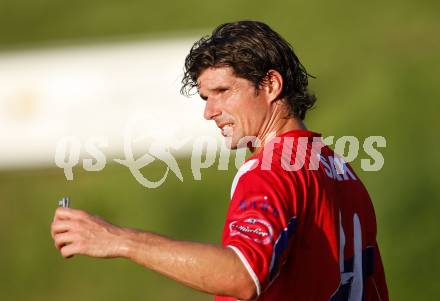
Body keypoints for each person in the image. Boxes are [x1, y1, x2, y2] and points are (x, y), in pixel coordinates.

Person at [51, 20, 389, 300]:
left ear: (271, 84)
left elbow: (244, 275)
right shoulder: (336, 166)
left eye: (223, 92)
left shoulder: (269, 171)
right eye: (205, 97)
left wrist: (117, 239)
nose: (209, 112)